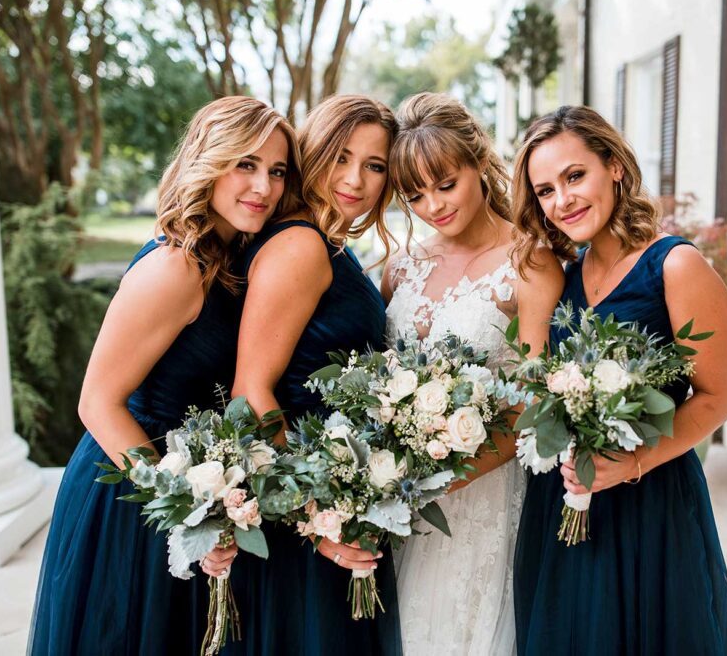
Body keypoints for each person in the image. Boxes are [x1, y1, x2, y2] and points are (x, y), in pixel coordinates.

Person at [28, 96, 299, 655]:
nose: (264, 187)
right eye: (245, 164)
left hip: (187, 481)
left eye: (276, 171)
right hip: (135, 487)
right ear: (209, 161)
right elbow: (98, 402)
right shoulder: (177, 267)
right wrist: (185, 515)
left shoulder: (229, 256)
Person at [510, 105, 727, 655]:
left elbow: (716, 399)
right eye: (544, 191)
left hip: (649, 499)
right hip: (564, 500)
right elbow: (533, 381)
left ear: (613, 166)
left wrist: (630, 463)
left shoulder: (675, 266)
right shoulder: (558, 280)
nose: (562, 200)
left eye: (574, 176)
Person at [383, 92, 563, 656]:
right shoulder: (400, 265)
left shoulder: (529, 261)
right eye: (414, 194)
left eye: (445, 183)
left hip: (482, 494)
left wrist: (434, 484)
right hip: (393, 495)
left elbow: (537, 404)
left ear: (477, 164)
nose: (432, 205)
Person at [225, 94, 402, 655]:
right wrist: (319, 521)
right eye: (341, 157)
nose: (356, 179)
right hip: (308, 515)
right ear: (313, 153)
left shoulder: (329, 242)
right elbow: (250, 393)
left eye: (375, 166)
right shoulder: (302, 244)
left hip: (334, 496)